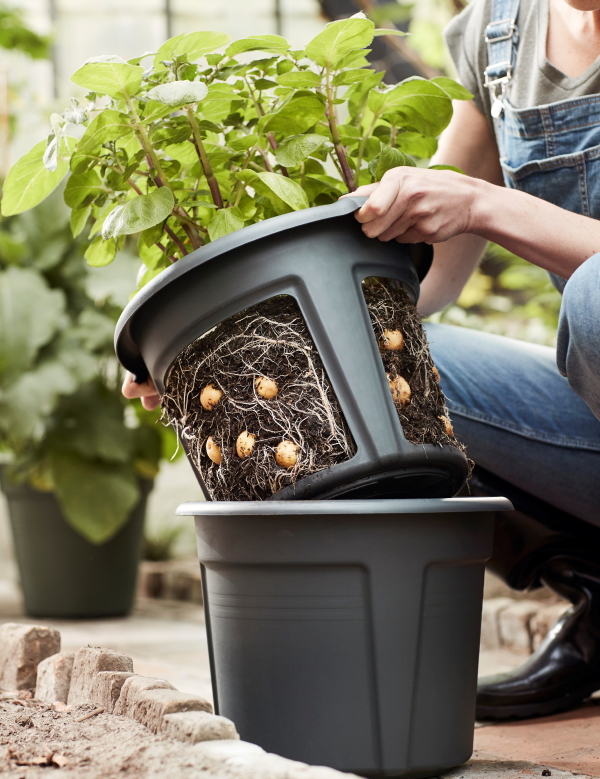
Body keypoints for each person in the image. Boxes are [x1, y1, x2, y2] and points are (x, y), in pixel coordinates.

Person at [124, 0, 600, 720]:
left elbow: (479, 210)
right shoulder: (502, 31)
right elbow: (419, 278)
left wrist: (487, 204)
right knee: (363, 359)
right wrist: (204, 346)